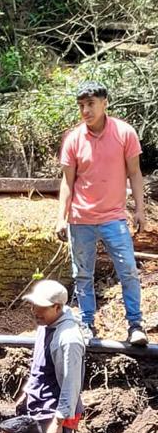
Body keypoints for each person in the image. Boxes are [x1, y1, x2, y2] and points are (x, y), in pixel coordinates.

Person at [56, 80, 147, 345]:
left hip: (114, 218)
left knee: (128, 270)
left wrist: (140, 209)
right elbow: (67, 181)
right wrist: (61, 217)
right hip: (80, 219)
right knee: (82, 274)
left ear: (104, 103)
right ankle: (86, 325)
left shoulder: (124, 133)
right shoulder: (74, 139)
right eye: (81, 105)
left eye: (91, 104)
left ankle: (135, 325)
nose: (86, 110)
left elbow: (135, 173)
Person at [17, 278, 85, 433]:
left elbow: (71, 384)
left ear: (57, 307)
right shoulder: (47, 324)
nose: (36, 312)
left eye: (41, 308)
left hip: (54, 412)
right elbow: (39, 366)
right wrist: (27, 391)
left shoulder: (69, 339)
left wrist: (58, 422)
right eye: (34, 306)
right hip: (39, 404)